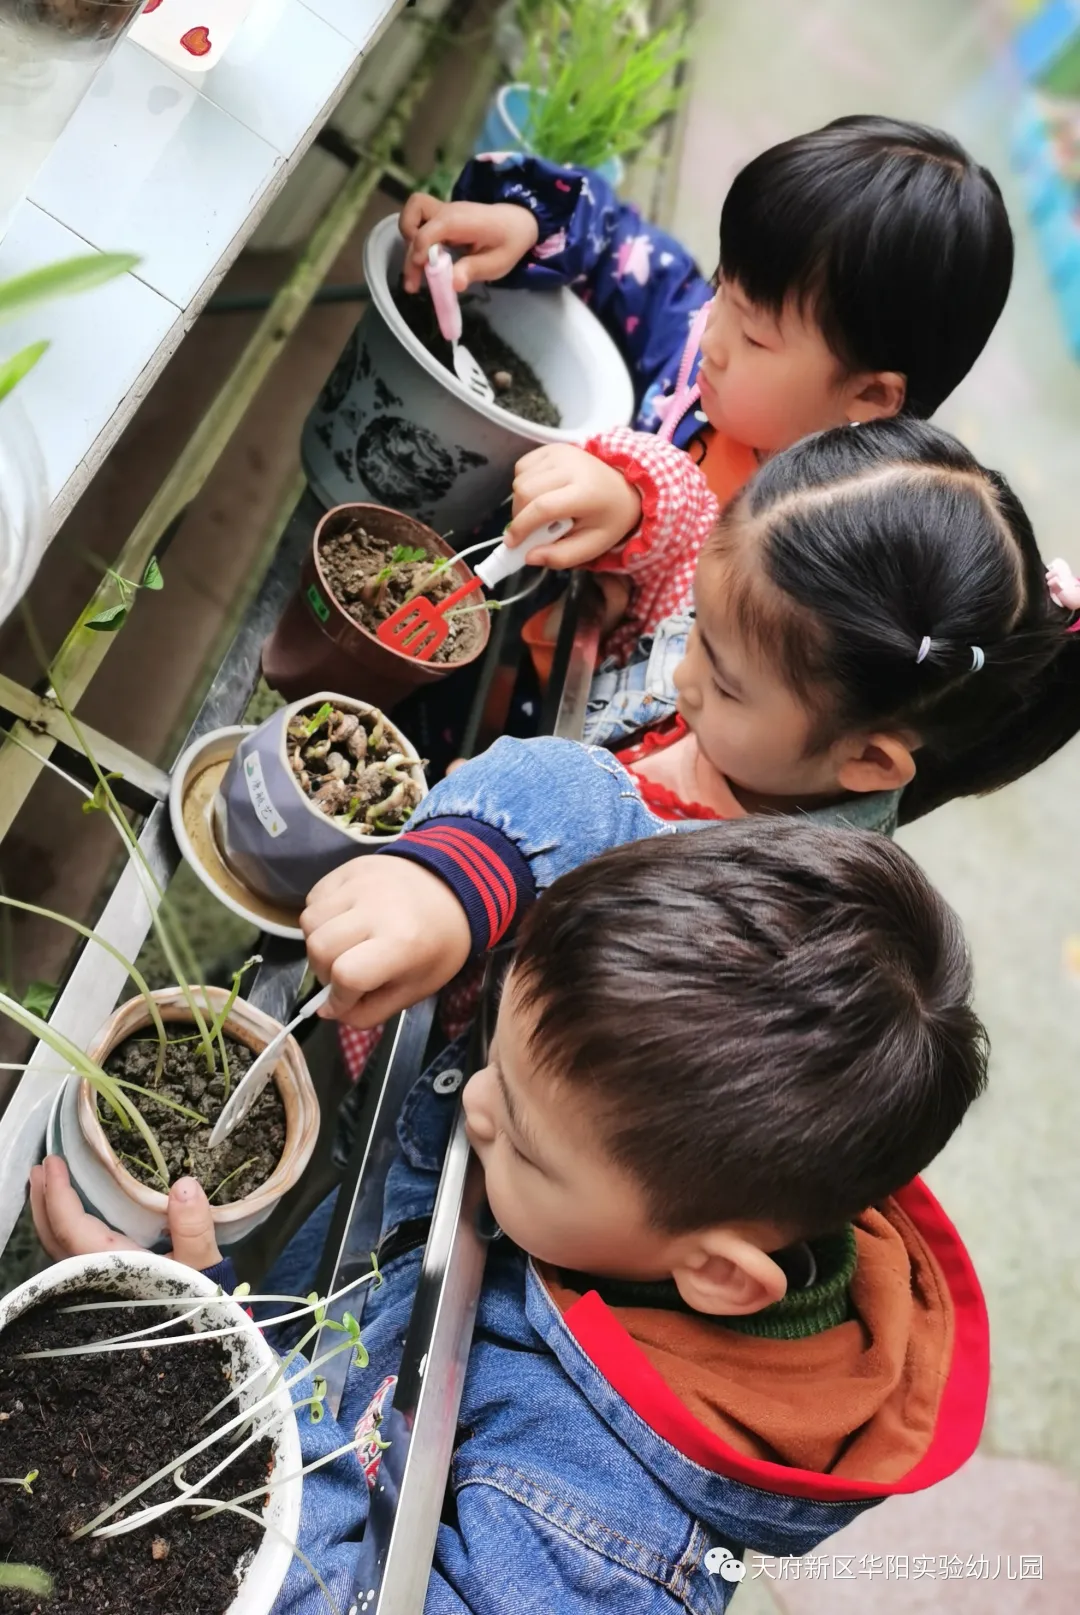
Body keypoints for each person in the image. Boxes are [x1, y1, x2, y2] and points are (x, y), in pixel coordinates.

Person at [32, 824, 991, 1614]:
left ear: (721, 1275)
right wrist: (454, 882)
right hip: (309, 1337)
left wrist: (197, 1348)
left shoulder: (606, 1549)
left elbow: (332, 1594)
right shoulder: (675, 1103)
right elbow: (591, 796)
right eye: (496, 1044)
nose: (475, 1102)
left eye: (524, 1144)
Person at [300, 416, 1080, 1034]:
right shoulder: (759, 652)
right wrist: (629, 494)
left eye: (725, 680)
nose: (682, 673)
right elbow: (685, 535)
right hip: (387, 918)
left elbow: (578, 820)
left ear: (870, 762)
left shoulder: (770, 925)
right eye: (700, 624)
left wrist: (455, 885)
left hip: (445, 1035)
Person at [399, 116, 1014, 657]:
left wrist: (641, 517)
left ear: (870, 398)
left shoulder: (819, 561)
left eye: (754, 336)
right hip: (474, 605)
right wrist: (529, 221)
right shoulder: (695, 340)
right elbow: (616, 242)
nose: (713, 333)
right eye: (724, 287)